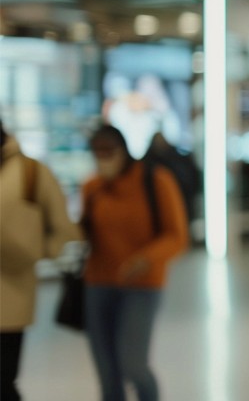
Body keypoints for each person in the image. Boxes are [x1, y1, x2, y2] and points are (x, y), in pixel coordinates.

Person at [80, 126, 189, 401]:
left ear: (124, 150)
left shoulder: (156, 181)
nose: (103, 158)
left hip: (143, 285)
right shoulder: (92, 187)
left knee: (133, 365)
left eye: (109, 151)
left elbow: (176, 235)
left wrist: (145, 259)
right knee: (107, 372)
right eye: (97, 153)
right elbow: (86, 232)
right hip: (98, 284)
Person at [0, 120, 81, 401]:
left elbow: (62, 226)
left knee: (3, 380)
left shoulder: (31, 172)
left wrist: (36, 252)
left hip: (11, 295)